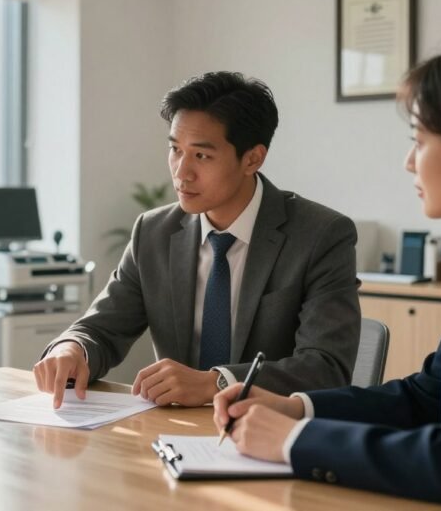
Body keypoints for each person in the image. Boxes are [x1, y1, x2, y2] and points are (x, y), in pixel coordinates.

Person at [213, 39, 441, 510]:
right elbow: (427, 397)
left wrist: (293, 441)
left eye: (420, 142)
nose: (408, 162)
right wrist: (296, 407)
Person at [35, 71, 361, 408]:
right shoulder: (153, 232)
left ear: (252, 158)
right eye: (176, 150)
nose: (181, 172)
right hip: (173, 436)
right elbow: (101, 329)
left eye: (201, 156)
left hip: (270, 437)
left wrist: (216, 382)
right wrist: (72, 348)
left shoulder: (321, 235)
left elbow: (326, 367)